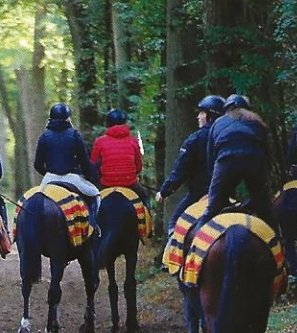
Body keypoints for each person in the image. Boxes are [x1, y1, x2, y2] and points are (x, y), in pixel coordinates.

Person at [196, 94, 277, 231]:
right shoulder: (257, 122)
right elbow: (267, 154)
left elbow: (211, 158)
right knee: (266, 211)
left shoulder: (218, 123)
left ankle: (196, 242)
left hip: (226, 162)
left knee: (211, 210)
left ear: (226, 108)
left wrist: (215, 187)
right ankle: (279, 245)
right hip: (254, 161)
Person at [156, 95, 225, 236]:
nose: (198, 117)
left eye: (202, 113)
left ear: (210, 115)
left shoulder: (196, 138)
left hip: (198, 194)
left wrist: (164, 192)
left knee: (174, 223)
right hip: (224, 194)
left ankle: (172, 255)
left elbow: (180, 170)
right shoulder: (227, 137)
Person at [33, 102, 101, 227]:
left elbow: (37, 164)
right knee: (95, 194)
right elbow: (85, 162)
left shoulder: (44, 136)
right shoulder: (74, 134)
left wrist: (48, 172)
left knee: (33, 202)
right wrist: (91, 176)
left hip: (49, 178)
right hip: (72, 178)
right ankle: (94, 226)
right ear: (67, 118)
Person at [90, 109, 150, 208]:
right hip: (129, 183)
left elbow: (93, 166)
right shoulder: (133, 141)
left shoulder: (100, 142)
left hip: (106, 183)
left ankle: (91, 221)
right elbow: (138, 167)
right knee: (144, 197)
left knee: (92, 202)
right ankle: (148, 219)